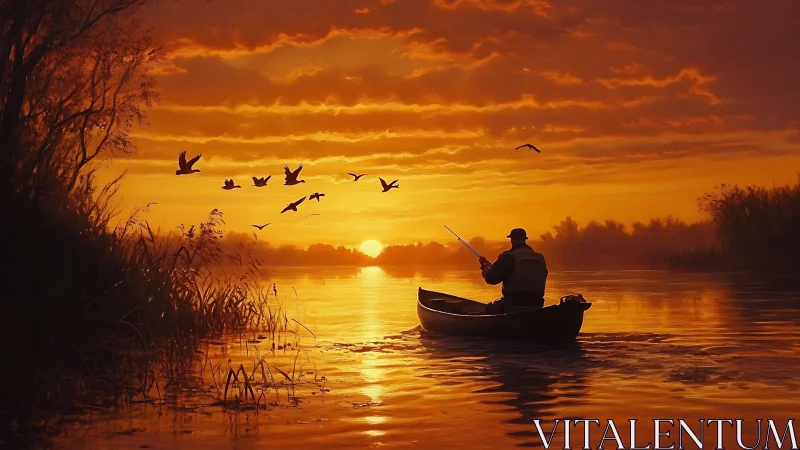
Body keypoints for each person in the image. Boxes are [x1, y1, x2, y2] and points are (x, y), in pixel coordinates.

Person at [479, 228, 548, 314]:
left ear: (512, 239)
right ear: (524, 239)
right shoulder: (540, 257)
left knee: (489, 308)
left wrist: (485, 267)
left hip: (513, 304)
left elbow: (491, 278)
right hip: (536, 303)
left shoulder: (508, 257)